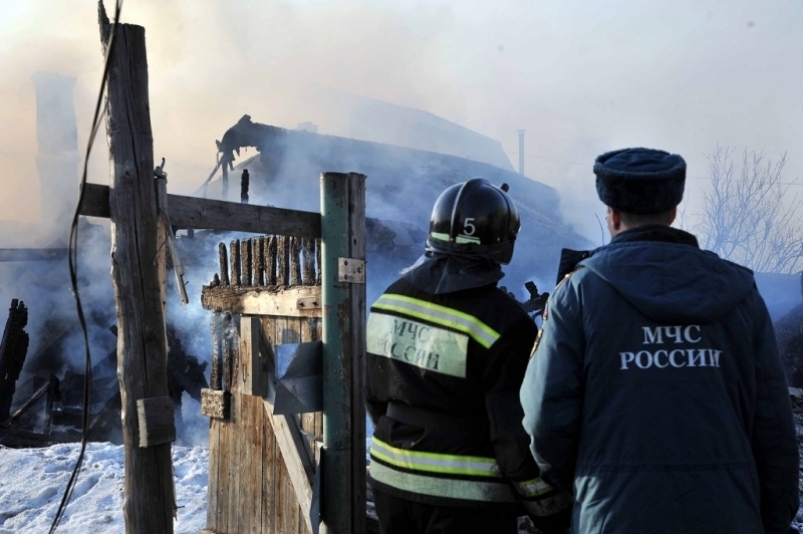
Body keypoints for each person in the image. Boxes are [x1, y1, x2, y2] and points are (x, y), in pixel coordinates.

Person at [520, 147, 800, 534]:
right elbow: (774, 427)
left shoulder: (578, 295)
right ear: (673, 213)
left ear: (612, 215)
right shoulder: (740, 293)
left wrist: (591, 488)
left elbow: (546, 418)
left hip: (613, 518)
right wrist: (773, 518)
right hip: (729, 517)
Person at [366, 178, 572, 534]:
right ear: (503, 244)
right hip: (467, 500)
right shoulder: (504, 323)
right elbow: (514, 439)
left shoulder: (389, 300)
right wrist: (551, 512)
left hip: (390, 484)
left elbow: (374, 398)